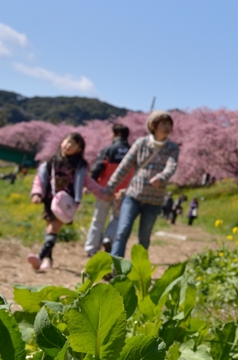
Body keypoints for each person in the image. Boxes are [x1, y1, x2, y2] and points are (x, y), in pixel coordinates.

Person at [27, 132, 110, 271]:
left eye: (73, 144)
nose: (69, 145)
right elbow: (40, 180)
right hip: (49, 200)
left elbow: (88, 182)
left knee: (53, 228)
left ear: (79, 149)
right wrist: (37, 193)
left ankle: (40, 257)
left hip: (66, 203)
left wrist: (103, 193)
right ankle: (48, 259)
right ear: (61, 142)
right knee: (50, 230)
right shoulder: (51, 162)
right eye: (67, 141)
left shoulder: (80, 166)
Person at [109, 110, 180, 259]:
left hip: (154, 200)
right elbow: (125, 166)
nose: (167, 126)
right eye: (163, 123)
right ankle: (115, 269)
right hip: (133, 196)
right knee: (122, 231)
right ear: (154, 125)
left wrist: (162, 177)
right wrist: (111, 186)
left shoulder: (173, 148)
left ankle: (138, 272)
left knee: (144, 238)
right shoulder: (141, 143)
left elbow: (171, 166)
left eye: (169, 123)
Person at [84, 123, 132, 257]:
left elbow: (98, 167)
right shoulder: (132, 151)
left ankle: (92, 248)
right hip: (123, 192)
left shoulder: (108, 149)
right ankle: (109, 238)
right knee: (117, 218)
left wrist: (90, 185)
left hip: (104, 190)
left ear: (116, 134)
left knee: (98, 219)